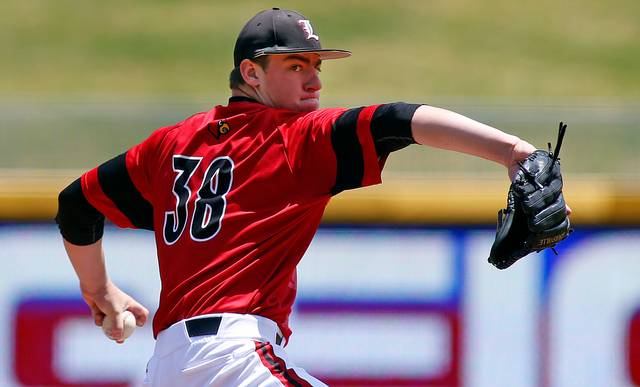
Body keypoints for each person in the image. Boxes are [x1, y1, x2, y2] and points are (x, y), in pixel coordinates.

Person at [56, 7, 558, 386]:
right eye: (295, 65)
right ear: (251, 74)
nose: (315, 79)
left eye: (316, 64)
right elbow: (399, 120)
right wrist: (514, 152)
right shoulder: (294, 138)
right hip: (233, 361)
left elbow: (76, 206)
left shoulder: (168, 144)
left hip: (168, 367)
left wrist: (99, 291)